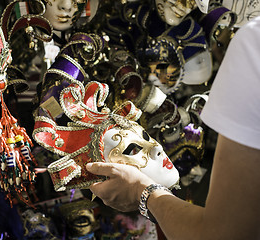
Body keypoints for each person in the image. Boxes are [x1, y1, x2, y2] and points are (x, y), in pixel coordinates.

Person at [86, 15, 260, 239]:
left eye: (147, 135)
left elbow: (224, 234)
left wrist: (143, 191)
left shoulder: (254, 41)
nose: (158, 148)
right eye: (132, 148)